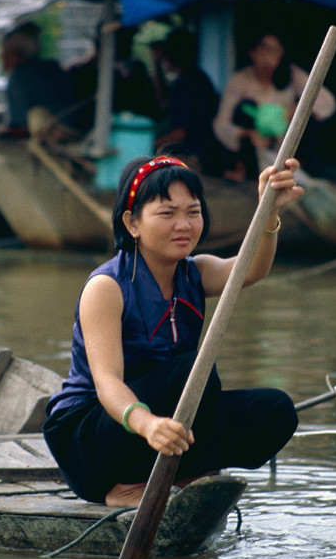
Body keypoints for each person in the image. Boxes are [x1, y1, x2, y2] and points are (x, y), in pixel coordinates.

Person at [42, 150, 302, 507]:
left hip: (161, 424)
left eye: (192, 212)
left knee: (275, 410)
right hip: (90, 441)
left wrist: (269, 211)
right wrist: (148, 424)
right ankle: (126, 487)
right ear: (132, 223)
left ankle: (183, 477)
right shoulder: (107, 287)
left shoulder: (196, 273)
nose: (184, 225)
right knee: (192, 371)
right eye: (167, 213)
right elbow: (107, 383)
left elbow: (251, 268)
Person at [213, 32, 336, 181]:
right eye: (262, 51)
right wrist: (246, 133)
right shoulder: (241, 80)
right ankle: (241, 169)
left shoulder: (292, 75)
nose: (266, 58)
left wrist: (294, 110)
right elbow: (221, 123)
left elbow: (327, 102)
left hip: (285, 142)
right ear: (252, 53)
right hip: (255, 144)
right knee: (245, 107)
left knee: (311, 115)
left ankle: (299, 167)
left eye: (273, 51)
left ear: (281, 53)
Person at [152, 29, 224, 176]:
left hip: (194, 158)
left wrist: (148, 143)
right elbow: (164, 102)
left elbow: (179, 134)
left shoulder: (185, 85)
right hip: (211, 155)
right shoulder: (200, 78)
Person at [0, 24, 73, 137]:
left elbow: (21, 125)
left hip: (49, 135)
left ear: (16, 53)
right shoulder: (52, 67)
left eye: (4, 51)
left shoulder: (20, 75)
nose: (1, 56)